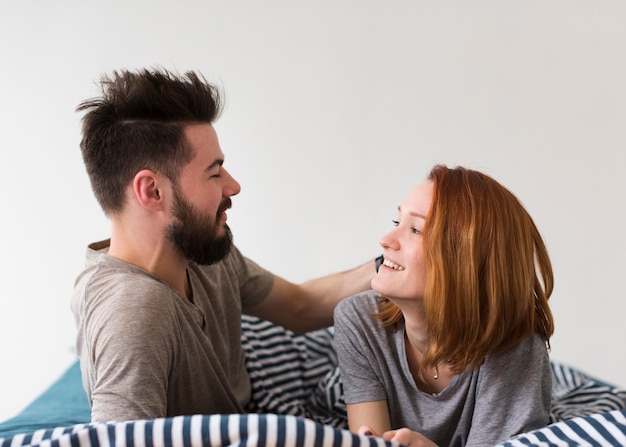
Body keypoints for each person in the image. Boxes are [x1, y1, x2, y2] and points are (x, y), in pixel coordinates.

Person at [71, 67, 376, 423]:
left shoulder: (199, 250)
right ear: (152, 191)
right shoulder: (135, 313)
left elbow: (298, 306)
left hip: (258, 380)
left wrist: (394, 264)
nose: (233, 186)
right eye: (214, 173)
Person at [334, 164, 555, 447]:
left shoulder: (515, 348)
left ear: (466, 262)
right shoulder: (358, 320)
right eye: (396, 223)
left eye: (415, 229)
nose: (385, 241)